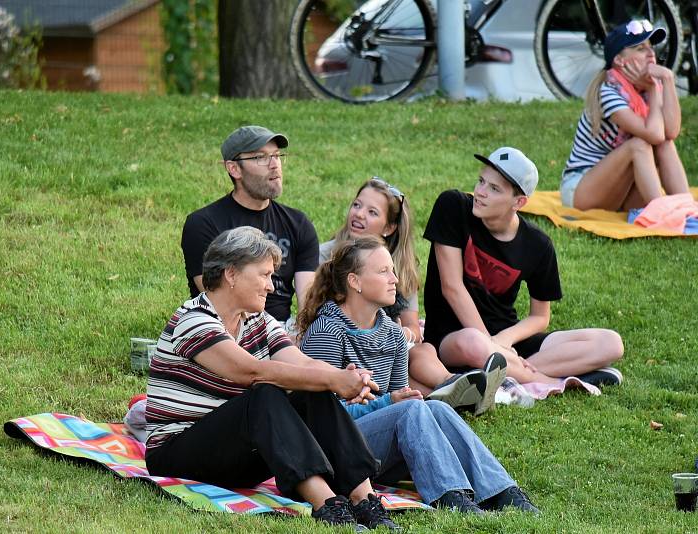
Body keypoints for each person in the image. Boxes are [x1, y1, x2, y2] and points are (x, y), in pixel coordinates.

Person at [146, 226, 400, 530]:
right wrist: (333, 381)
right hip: (177, 453)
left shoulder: (257, 320)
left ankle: (364, 499)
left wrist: (342, 377)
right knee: (264, 392)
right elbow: (250, 372)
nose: (272, 286)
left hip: (236, 455)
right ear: (231, 274)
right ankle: (328, 505)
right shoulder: (193, 319)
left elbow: (303, 364)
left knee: (311, 389)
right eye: (264, 275)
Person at [298, 236, 538, 514]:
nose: (395, 279)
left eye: (393, 270)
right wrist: (389, 403)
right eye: (383, 271)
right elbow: (320, 418)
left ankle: (502, 490)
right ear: (355, 282)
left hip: (378, 453)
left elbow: (402, 406)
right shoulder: (326, 332)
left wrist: (397, 402)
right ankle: (451, 497)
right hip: (338, 454)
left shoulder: (393, 336)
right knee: (412, 408)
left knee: (436, 407)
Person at [424, 147, 624, 387]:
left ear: (518, 202)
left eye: (494, 188)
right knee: (475, 343)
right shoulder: (453, 206)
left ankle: (507, 371)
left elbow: (540, 317)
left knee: (610, 343)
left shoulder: (537, 245)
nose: (480, 192)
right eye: (481, 181)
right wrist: (491, 345)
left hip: (505, 339)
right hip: (454, 339)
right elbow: (452, 288)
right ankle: (552, 379)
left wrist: (504, 339)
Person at [319, 177, 505, 414]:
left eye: (372, 212)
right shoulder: (327, 256)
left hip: (391, 349)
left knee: (423, 350)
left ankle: (455, 385)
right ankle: (462, 392)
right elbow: (316, 310)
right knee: (403, 367)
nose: (359, 214)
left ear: (389, 228)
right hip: (352, 349)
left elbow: (413, 327)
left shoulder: (399, 267)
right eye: (357, 205)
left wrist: (400, 333)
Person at [181, 125, 318, 331]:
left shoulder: (298, 223)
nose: (274, 165)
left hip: (285, 329)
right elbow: (219, 303)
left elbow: (308, 303)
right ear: (234, 168)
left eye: (276, 155)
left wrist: (302, 336)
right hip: (229, 329)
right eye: (260, 157)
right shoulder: (203, 224)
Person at [560, 19, 687, 211]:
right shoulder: (608, 92)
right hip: (581, 190)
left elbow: (670, 132)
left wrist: (667, 80)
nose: (651, 53)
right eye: (640, 48)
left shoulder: (647, 87)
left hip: (620, 190)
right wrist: (653, 89)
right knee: (639, 145)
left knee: (665, 145)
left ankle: (687, 210)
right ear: (619, 60)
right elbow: (653, 134)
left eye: (651, 47)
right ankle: (662, 214)